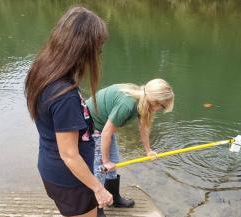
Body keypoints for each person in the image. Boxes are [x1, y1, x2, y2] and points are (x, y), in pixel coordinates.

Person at [24, 6, 113, 217]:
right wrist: (98, 189)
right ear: (82, 49)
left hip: (54, 170)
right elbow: (69, 155)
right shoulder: (64, 95)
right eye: (97, 48)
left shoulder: (42, 71)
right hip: (71, 182)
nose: (98, 53)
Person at [86, 78, 174, 217]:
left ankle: (113, 198)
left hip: (104, 126)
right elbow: (106, 133)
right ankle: (97, 207)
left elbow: (144, 128)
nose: (161, 110)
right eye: (162, 106)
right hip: (92, 125)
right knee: (101, 167)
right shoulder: (127, 104)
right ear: (155, 101)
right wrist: (105, 161)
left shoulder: (143, 100)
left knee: (114, 160)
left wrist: (148, 151)